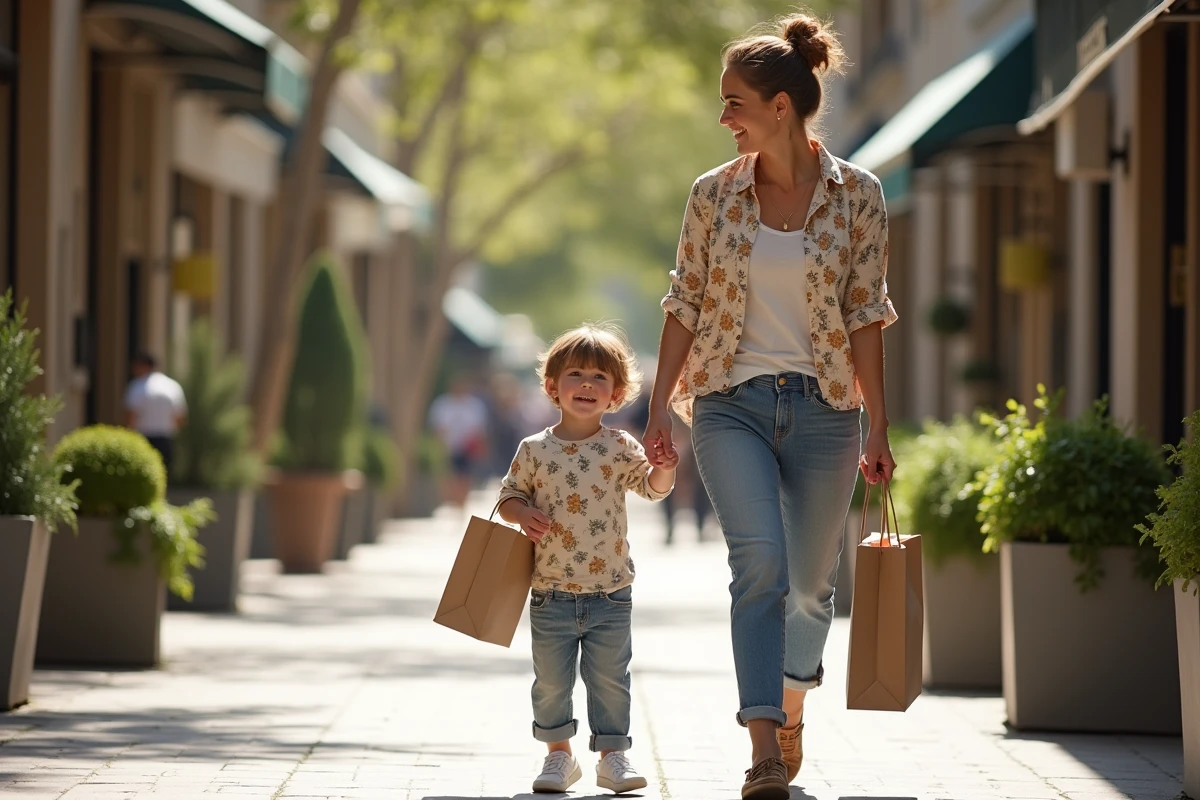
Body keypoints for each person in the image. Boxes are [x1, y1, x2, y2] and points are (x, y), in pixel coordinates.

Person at [641, 12, 899, 800]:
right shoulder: (711, 197)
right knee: (758, 565)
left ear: (778, 107)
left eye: (734, 103)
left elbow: (865, 311)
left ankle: (790, 708)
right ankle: (762, 749)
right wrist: (657, 410)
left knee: (812, 584)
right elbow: (684, 301)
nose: (723, 118)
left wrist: (878, 422)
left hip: (825, 409)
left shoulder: (859, 195)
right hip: (730, 403)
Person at [497, 324, 677, 795]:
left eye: (599, 377)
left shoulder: (619, 447)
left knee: (610, 680)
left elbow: (652, 490)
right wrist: (523, 514)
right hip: (550, 592)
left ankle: (613, 757)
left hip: (611, 592)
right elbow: (507, 497)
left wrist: (665, 468)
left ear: (616, 393)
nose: (586, 385)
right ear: (552, 386)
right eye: (575, 374)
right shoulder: (534, 449)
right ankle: (559, 757)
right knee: (551, 683)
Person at [427, 376, 489, 508]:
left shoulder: (474, 405)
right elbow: (437, 428)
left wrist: (480, 447)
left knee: (465, 476)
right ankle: (453, 500)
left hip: (467, 447)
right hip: (448, 447)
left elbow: (479, 429)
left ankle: (462, 502)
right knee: (450, 477)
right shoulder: (442, 404)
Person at [124, 352, 187, 477]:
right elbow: (180, 418)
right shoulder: (172, 386)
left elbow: (131, 416)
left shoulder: (137, 386)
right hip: (166, 439)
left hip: (143, 439)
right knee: (163, 478)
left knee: (143, 476)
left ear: (143, 366)